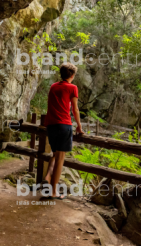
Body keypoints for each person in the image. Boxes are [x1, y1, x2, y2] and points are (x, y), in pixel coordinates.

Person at [43, 62, 84, 199]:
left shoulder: (53, 86)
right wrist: (79, 125)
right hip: (64, 125)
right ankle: (53, 191)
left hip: (51, 125)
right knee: (60, 159)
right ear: (72, 75)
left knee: (55, 155)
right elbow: (75, 109)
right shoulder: (73, 88)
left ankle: (48, 177)